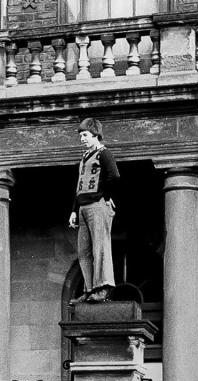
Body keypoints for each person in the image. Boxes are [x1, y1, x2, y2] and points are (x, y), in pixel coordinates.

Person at [69, 118, 119, 304]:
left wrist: (105, 196)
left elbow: (114, 175)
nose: (82, 139)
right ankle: (89, 289)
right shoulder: (85, 157)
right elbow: (79, 186)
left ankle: (102, 287)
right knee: (84, 251)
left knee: (100, 247)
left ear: (95, 135)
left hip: (97, 206)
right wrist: (74, 210)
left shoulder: (104, 154)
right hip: (83, 207)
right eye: (81, 135)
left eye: (85, 135)